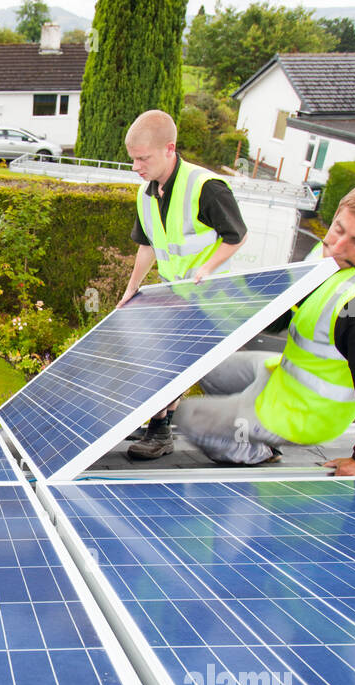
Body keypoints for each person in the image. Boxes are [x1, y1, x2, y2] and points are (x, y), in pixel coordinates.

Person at [172, 177, 355, 476]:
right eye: (338, 229)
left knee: (188, 416)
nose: (338, 246)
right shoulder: (327, 255)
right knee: (202, 363)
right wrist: (213, 308)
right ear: (336, 214)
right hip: (284, 375)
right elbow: (287, 312)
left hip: (305, 414)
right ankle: (241, 418)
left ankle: (257, 451)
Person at [115, 110, 248, 460]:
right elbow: (148, 245)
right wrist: (132, 288)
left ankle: (160, 432)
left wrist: (206, 268)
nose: (135, 166)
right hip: (170, 292)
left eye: (142, 158)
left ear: (169, 149)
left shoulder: (206, 188)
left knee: (169, 362)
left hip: (210, 295)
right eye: (133, 159)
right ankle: (159, 425)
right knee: (158, 359)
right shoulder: (146, 196)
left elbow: (236, 236)